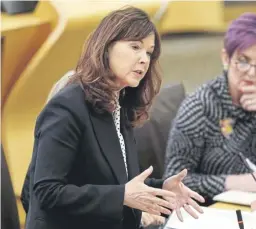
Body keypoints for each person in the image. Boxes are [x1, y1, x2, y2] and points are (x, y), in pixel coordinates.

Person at [21, 7, 205, 229]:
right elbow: (46, 192)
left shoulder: (120, 105)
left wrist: (162, 187)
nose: (144, 60)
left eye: (149, 52)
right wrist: (121, 196)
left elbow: (115, 182)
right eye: (135, 47)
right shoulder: (66, 106)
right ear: (106, 46)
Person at [164, 12, 256, 203]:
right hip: (211, 211)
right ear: (226, 58)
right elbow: (173, 182)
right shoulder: (199, 107)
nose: (251, 73)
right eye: (243, 61)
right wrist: (231, 182)